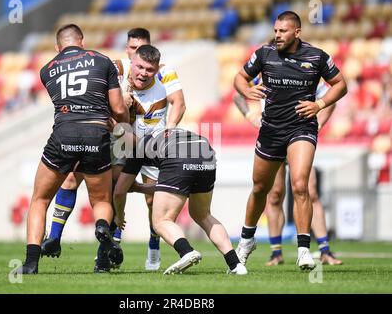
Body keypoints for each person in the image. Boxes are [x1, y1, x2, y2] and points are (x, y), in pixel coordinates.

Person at [41, 28, 186, 272]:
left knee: (150, 200)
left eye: (140, 49)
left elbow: (179, 103)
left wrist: (169, 130)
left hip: (149, 140)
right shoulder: (114, 68)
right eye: (131, 49)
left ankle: (151, 244)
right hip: (116, 138)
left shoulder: (164, 72)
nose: (135, 54)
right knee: (87, 185)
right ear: (128, 50)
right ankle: (93, 249)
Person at [233, 11, 347, 271]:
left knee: (300, 186)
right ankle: (246, 241)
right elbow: (239, 78)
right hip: (271, 130)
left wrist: (319, 104)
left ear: (297, 32)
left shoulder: (316, 56)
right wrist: (245, 89)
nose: (277, 35)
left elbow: (341, 84)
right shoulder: (264, 54)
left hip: (302, 129)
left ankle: (305, 250)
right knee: (261, 189)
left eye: (282, 31)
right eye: (275, 30)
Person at [15, 24, 129, 274]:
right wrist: (123, 126)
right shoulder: (102, 60)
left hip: (64, 133)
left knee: (40, 199)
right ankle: (101, 226)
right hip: (96, 133)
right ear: (82, 41)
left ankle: (31, 263)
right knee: (100, 199)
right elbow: (119, 108)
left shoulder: (47, 70)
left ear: (58, 47)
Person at [112, 125, 247, 275]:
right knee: (203, 214)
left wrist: (119, 215)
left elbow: (119, 191)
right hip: (205, 151)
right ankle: (236, 264)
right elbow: (171, 186)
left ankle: (186, 252)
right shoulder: (162, 134)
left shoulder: (137, 149)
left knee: (161, 221)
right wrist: (139, 188)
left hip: (178, 155)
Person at [234, 81, 343, 266]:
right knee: (275, 195)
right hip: (273, 137)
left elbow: (332, 98)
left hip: (299, 136)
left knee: (309, 191)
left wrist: (319, 124)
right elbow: (238, 95)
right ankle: (276, 253)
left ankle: (325, 250)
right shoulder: (263, 71)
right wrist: (250, 115)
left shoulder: (304, 71)